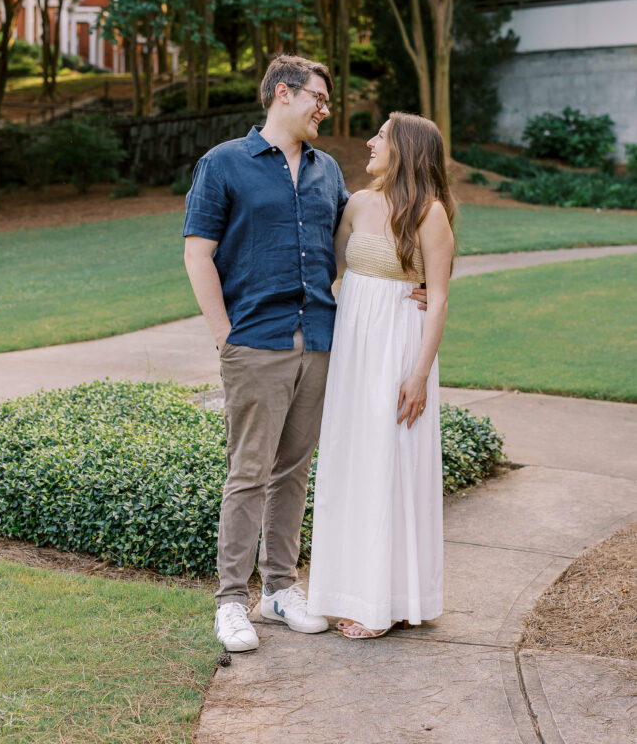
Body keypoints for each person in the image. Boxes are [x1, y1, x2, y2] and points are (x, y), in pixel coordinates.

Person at [183, 55, 351, 652]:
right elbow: (198, 253)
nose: (324, 109)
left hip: (319, 341)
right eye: (318, 98)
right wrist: (224, 336)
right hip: (255, 342)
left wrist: (414, 279)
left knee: (292, 472)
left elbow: (352, 246)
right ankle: (231, 601)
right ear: (284, 92)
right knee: (248, 473)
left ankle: (279, 589)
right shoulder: (224, 163)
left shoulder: (328, 171)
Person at [307, 112, 455, 639]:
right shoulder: (357, 204)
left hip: (400, 350)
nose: (369, 143)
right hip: (354, 351)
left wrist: (419, 374)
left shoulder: (430, 214)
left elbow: (438, 298)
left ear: (406, 149)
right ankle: (345, 591)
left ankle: (387, 602)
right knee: (352, 460)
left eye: (381, 137)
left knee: (392, 463)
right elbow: (327, 270)